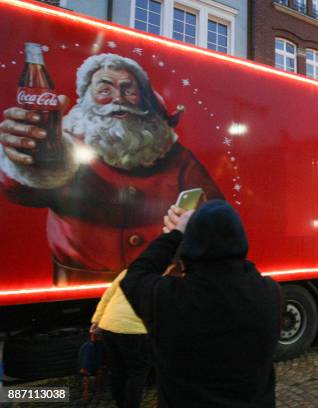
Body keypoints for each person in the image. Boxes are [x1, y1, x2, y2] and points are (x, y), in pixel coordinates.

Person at [0, 53, 222, 286]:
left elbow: (216, 211)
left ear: (143, 99)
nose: (118, 98)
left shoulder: (176, 156)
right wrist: (25, 155)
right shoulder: (63, 146)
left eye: (128, 89)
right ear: (87, 99)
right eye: (104, 90)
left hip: (157, 288)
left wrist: (197, 218)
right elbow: (20, 190)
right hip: (79, 288)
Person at [120, 200, 280, 407]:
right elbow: (243, 268)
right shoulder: (269, 292)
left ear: (190, 245)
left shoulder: (167, 298)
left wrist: (175, 235)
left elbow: (134, 276)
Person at [91, 270, 151, 408]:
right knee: (137, 373)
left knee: (117, 371)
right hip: (136, 330)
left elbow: (107, 295)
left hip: (109, 326)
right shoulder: (165, 276)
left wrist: (96, 320)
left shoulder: (128, 271)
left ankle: (120, 404)